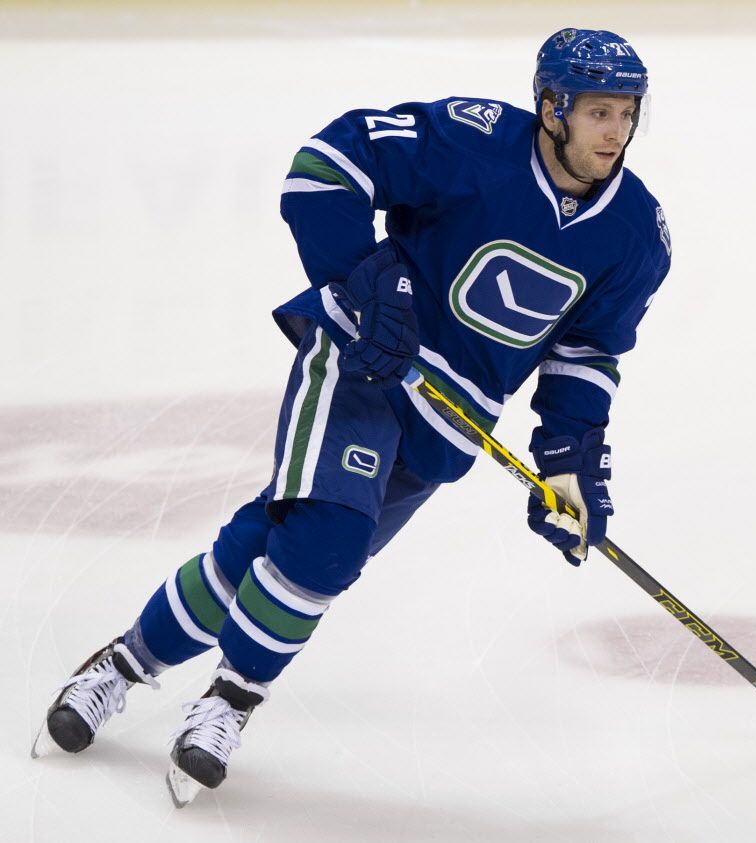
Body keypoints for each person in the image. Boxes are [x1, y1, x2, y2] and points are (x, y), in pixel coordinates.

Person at [31, 27, 672, 806]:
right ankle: (228, 701)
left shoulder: (637, 234)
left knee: (272, 547)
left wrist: (569, 461)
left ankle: (121, 665)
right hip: (361, 364)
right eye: (598, 111)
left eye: (626, 112)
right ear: (551, 107)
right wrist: (364, 281)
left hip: (448, 421)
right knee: (325, 547)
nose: (615, 130)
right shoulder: (472, 141)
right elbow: (324, 167)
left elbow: (588, 353)